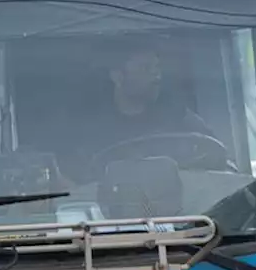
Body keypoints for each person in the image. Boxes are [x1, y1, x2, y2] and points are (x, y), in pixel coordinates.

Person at [63, 38, 222, 184]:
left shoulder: (177, 114)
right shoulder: (88, 125)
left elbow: (215, 150)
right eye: (145, 68)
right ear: (117, 77)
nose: (157, 75)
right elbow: (76, 180)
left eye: (157, 67)